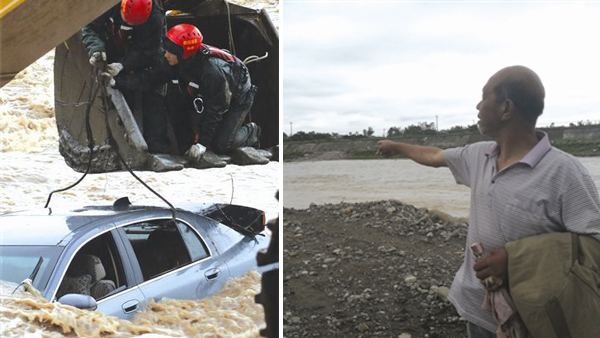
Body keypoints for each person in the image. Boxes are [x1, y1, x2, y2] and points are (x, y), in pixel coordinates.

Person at [376, 65, 600, 337]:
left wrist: (515, 260)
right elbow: (435, 156)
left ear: (506, 109)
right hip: (477, 308)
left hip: (537, 315)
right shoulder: (478, 155)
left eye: (484, 97)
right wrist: (396, 147)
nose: (478, 105)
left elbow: (593, 246)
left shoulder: (564, 172)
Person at [163, 23, 266, 167]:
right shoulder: (181, 60)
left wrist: (202, 144)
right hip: (209, 91)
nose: (165, 54)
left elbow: (216, 108)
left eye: (170, 51)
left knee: (221, 144)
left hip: (238, 96)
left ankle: (251, 131)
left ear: (183, 53)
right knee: (174, 103)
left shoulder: (212, 71)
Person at [81, 0, 172, 154]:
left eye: (133, 22)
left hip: (140, 45)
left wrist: (123, 64)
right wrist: (96, 50)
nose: (130, 24)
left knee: (152, 92)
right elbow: (89, 28)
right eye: (128, 21)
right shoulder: (107, 5)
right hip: (112, 37)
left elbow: (149, 50)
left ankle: (158, 145)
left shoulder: (155, 16)